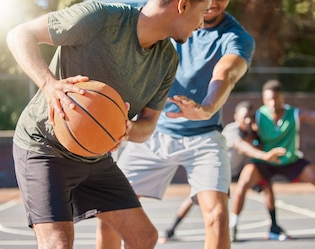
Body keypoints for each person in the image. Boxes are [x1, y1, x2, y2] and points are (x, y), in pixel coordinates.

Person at [6, 0, 212, 248]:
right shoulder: (100, 17)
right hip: (45, 147)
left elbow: (147, 125)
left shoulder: (167, 60)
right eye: (202, 13)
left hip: (94, 155)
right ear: (183, 5)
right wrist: (49, 84)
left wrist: (126, 130)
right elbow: (20, 34)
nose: (202, 23)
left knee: (144, 237)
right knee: (57, 244)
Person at [96, 0, 255, 248]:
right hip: (153, 129)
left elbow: (226, 73)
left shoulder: (237, 37)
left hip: (204, 135)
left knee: (218, 216)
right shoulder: (162, 8)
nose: (213, 2)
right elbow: (104, 10)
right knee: (111, 211)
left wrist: (207, 108)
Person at [230, 79, 315, 241]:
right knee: (244, 181)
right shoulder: (258, 116)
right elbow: (244, 132)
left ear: (282, 97)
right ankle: (233, 226)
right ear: (263, 99)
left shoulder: (294, 114)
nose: (272, 102)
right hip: (265, 161)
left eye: (275, 98)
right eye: (268, 99)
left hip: (290, 160)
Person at [161, 101, 286, 243]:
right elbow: (242, 147)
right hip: (220, 170)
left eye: (250, 117)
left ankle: (273, 226)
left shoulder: (252, 132)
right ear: (236, 117)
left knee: (266, 184)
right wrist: (264, 155)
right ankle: (171, 229)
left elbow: (261, 143)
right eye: (244, 117)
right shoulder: (232, 130)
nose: (247, 120)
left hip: (237, 171)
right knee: (193, 198)